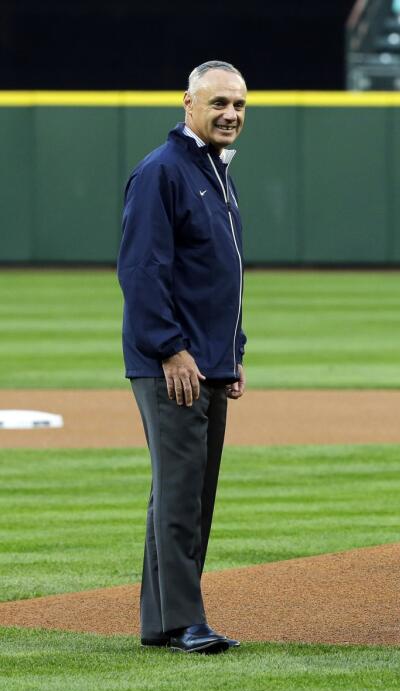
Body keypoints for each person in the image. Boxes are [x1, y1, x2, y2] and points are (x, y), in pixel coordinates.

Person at [117, 60, 249, 655]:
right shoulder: (163, 171)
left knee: (189, 491)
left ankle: (161, 621)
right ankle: (186, 622)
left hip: (209, 359)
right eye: (218, 102)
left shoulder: (212, 172)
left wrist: (233, 352)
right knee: (180, 493)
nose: (230, 114)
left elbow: (220, 275)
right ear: (188, 104)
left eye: (239, 105)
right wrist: (170, 348)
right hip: (174, 361)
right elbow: (142, 270)